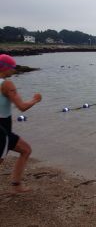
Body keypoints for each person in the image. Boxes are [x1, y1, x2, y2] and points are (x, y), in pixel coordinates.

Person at [0, 54, 42, 193]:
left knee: (25, 150)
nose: (14, 70)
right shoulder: (6, 84)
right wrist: (35, 99)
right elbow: (22, 106)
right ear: (5, 67)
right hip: (1, 130)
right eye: (12, 67)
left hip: (5, 129)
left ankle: (16, 185)